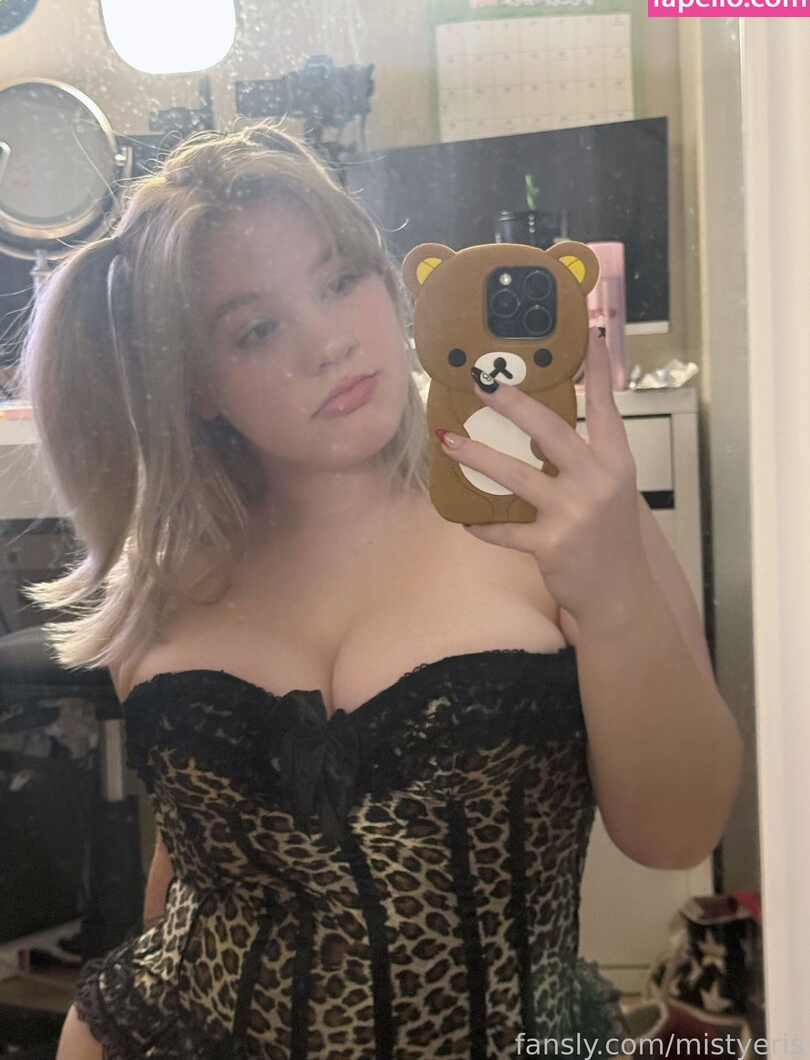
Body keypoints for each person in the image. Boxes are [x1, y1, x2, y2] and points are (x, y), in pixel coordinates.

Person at [18, 123, 743, 1060]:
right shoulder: (167, 576)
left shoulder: (557, 511)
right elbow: (193, 871)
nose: (328, 342)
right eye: (257, 329)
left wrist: (615, 599)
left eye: (339, 280)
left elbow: (678, 833)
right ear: (198, 386)